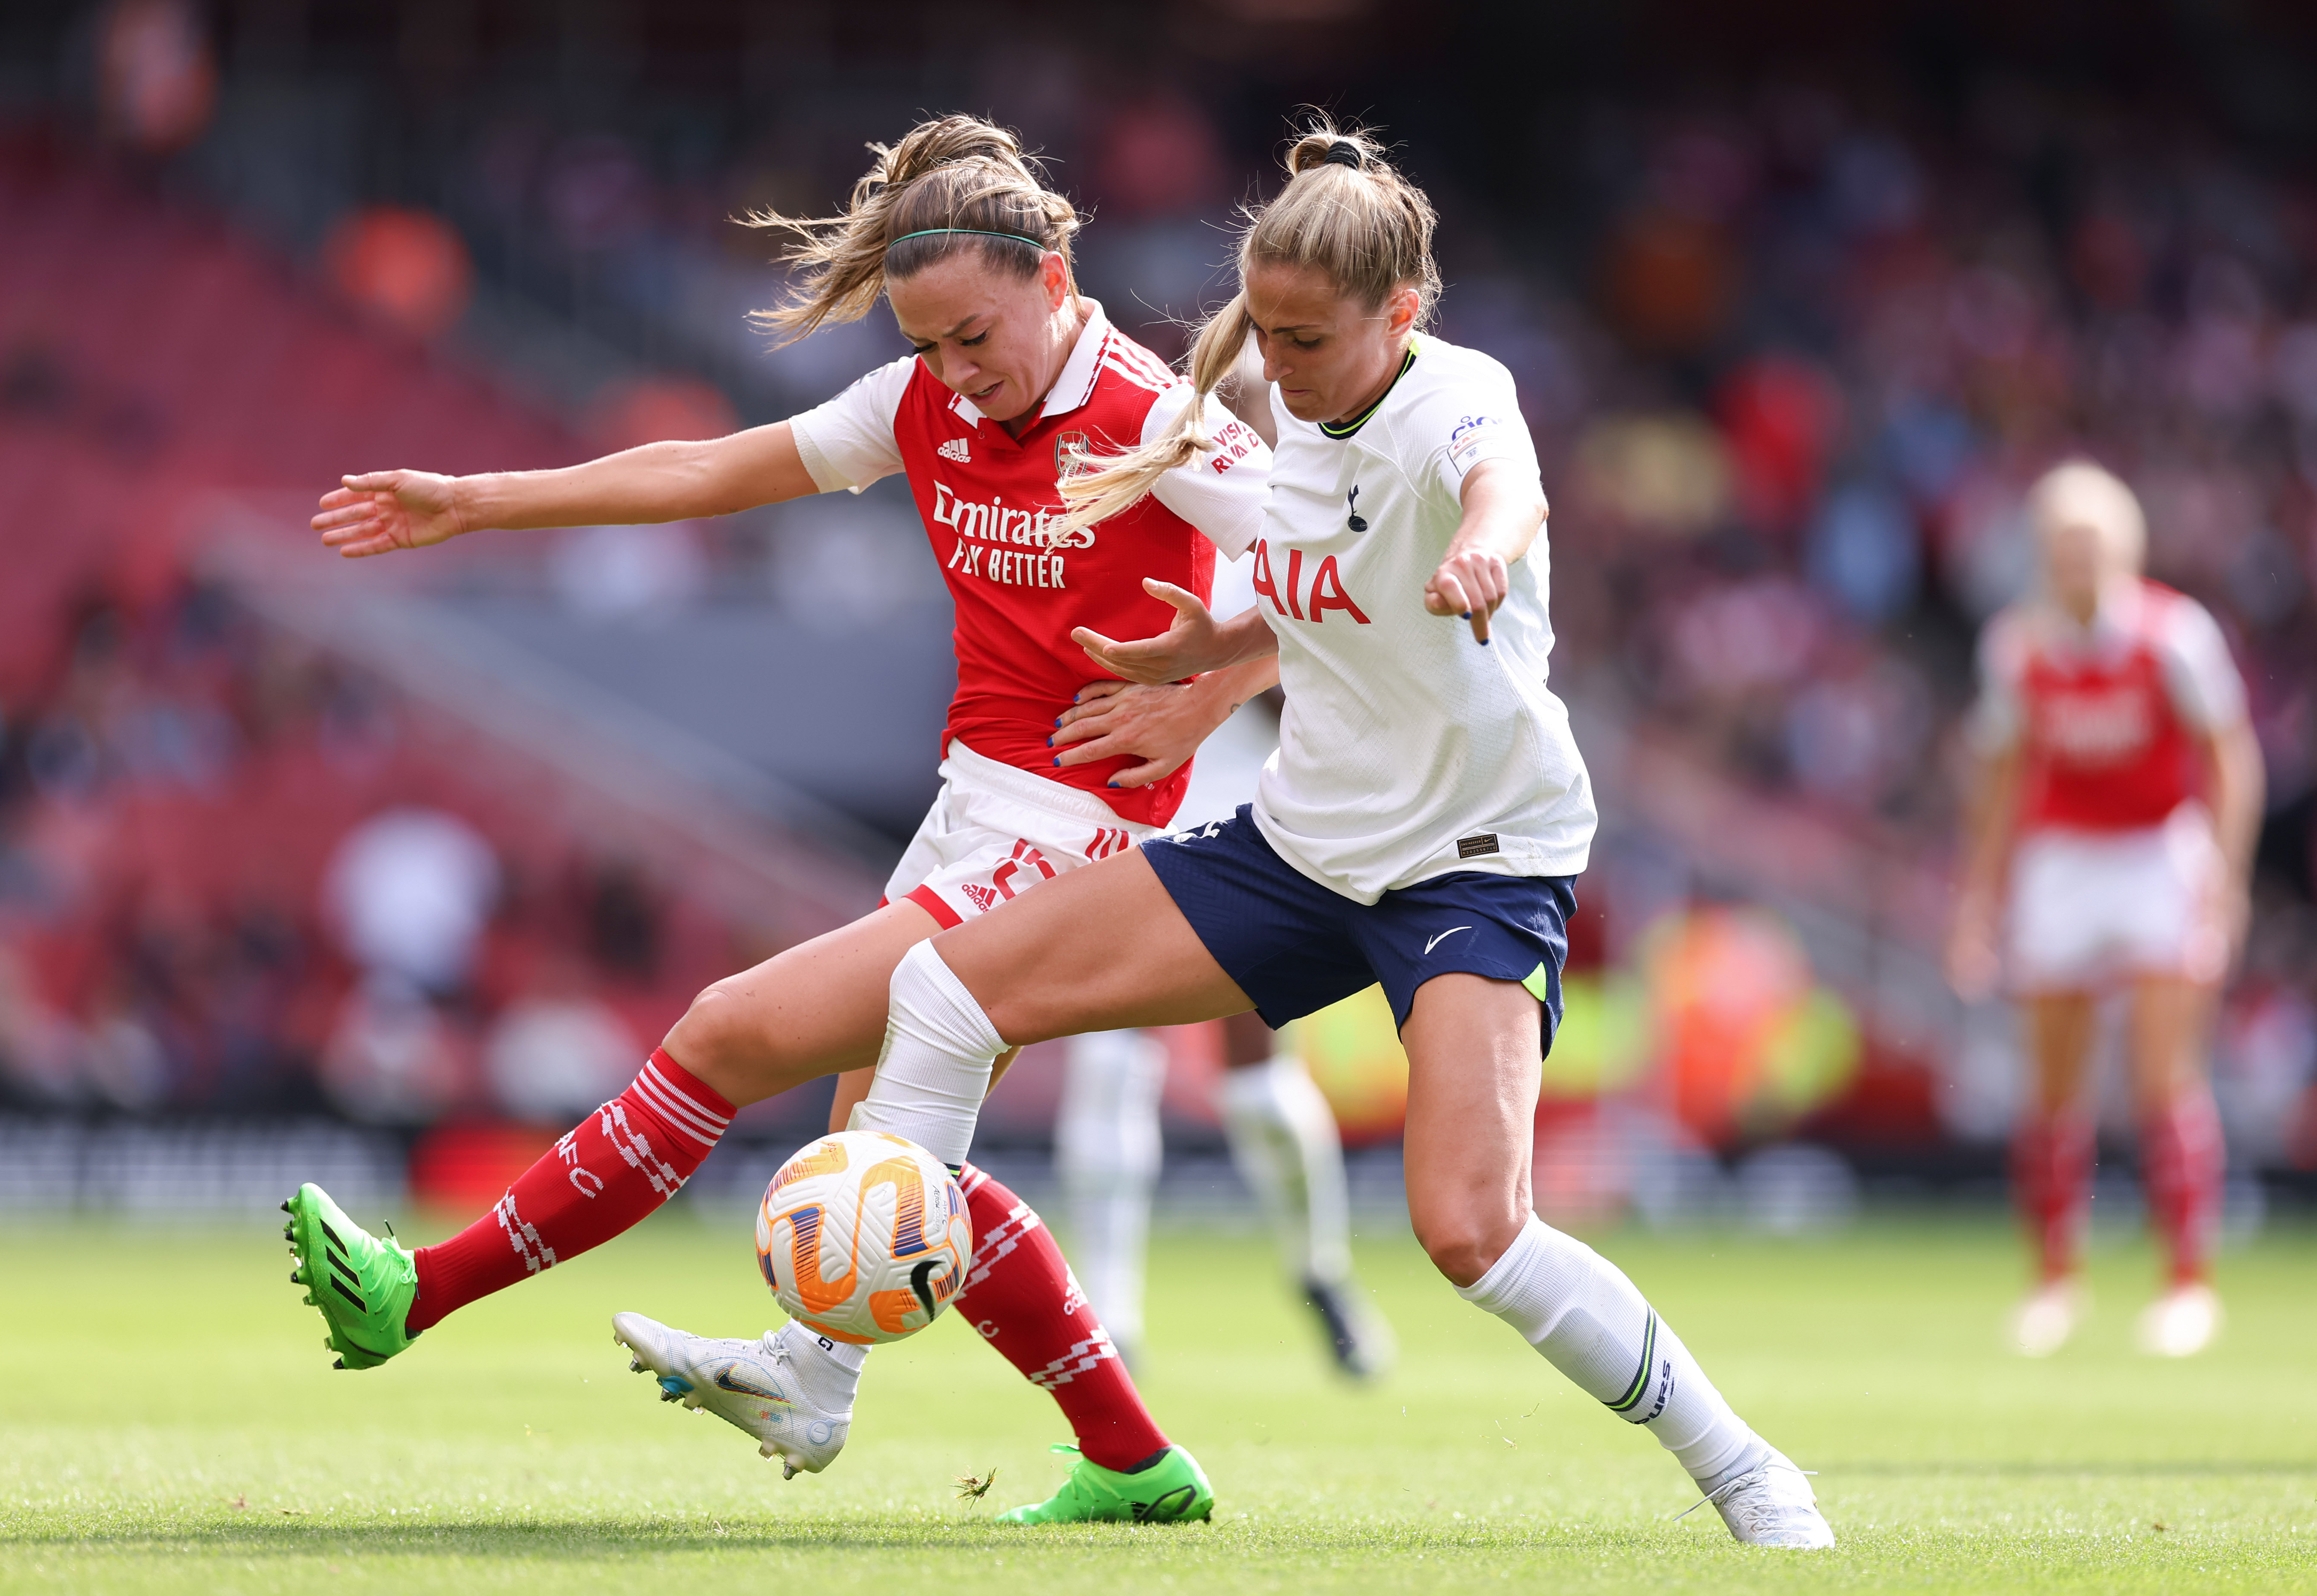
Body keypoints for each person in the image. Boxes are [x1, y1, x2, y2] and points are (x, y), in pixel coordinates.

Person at [673, 119, 1836, 1549]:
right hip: (1296, 846)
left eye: (1309, 342)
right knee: (940, 988)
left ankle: (1745, 1471)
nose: (1278, 369)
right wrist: (1205, 650)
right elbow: (1307, 588)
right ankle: (817, 1375)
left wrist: (1486, 545)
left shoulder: (1456, 395)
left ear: (1401, 313)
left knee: (1471, 1232)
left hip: (1471, 862)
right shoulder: (1265, 395)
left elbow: (1503, 487)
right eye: (1265, 334)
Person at [286, 113, 1283, 1526]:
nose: (953, 371)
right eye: (926, 343)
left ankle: (419, 1293)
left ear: (1056, 273)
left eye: (975, 334)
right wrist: (477, 500)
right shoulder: (925, 404)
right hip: (971, 811)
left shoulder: (1155, 418)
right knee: (886, 1169)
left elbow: (1349, 566)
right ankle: (1116, 1458)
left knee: (724, 1031)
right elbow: (706, 469)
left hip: (1070, 839)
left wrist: (1212, 690)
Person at [1945, 461, 2263, 1360]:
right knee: (2052, 1084)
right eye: (2059, 544)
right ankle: (2054, 1280)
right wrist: (1978, 898)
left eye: (2089, 543)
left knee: (2166, 1072)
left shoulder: (2174, 636)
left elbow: (2230, 758)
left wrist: (2223, 874)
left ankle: (2187, 1284)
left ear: (2124, 548)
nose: (2075, 560)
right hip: (2061, 864)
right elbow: (1999, 781)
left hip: (2157, 853)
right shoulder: (2017, 647)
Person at [1053, 549, 1396, 1377]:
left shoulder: (1280, 505)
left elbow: (1329, 671)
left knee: (1257, 1087)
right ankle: (1111, 1325)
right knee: (1109, 1061)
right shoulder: (1120, 499)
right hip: (1133, 795)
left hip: (1254, 808)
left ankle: (1321, 1274)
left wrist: (1227, 660)